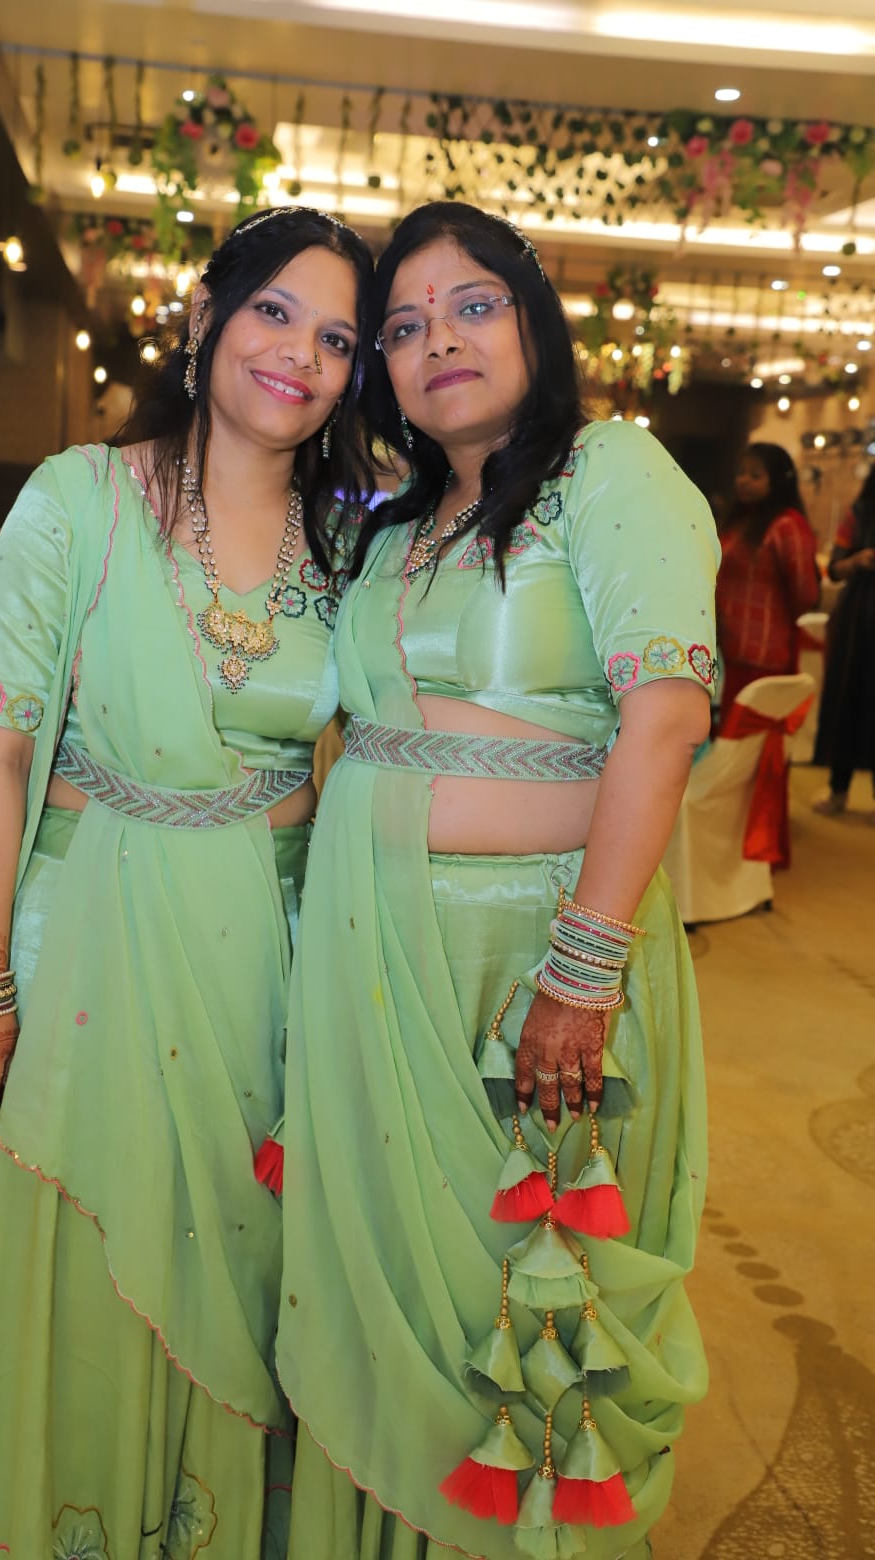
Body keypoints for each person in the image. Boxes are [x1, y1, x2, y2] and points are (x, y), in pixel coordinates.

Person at [0, 207, 372, 1559]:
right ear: (205, 319)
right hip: (80, 955)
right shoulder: (78, 499)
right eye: (274, 313)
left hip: (260, 980)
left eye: (336, 339)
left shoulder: (348, 551)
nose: (300, 355)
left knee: (230, 1278)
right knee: (67, 1274)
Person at [279, 202, 718, 1560]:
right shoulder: (395, 525)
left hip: (528, 958)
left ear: (535, 321)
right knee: (379, 1284)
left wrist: (582, 968)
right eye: (403, 327)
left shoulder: (610, 472)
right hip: (372, 953)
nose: (438, 342)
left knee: (525, 1316)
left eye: (472, 305)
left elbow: (665, 719)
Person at [715, 442, 819, 717]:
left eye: (755, 475)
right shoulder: (739, 522)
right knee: (728, 732)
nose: (743, 480)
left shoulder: (787, 524)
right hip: (729, 648)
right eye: (741, 473)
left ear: (777, 481)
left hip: (764, 653)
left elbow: (805, 593)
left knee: (749, 733)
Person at [813, 464, 875, 816]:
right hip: (857, 623)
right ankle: (839, 789)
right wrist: (858, 560)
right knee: (847, 699)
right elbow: (834, 569)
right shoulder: (859, 514)